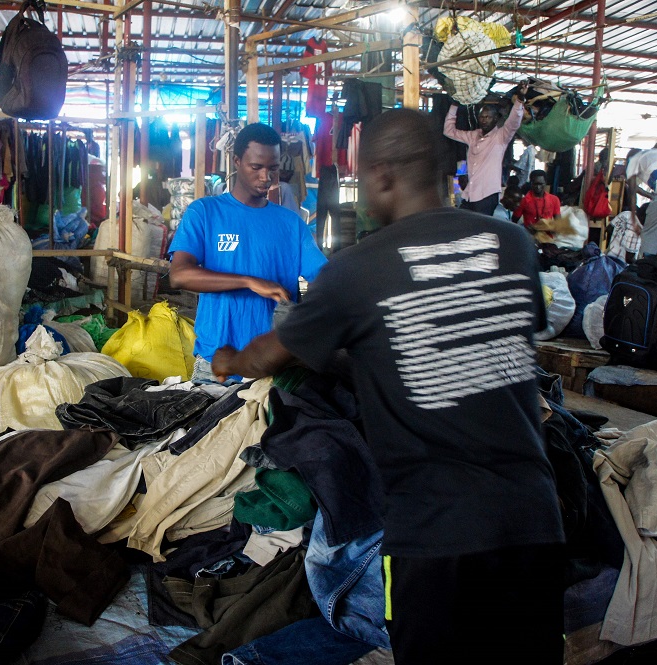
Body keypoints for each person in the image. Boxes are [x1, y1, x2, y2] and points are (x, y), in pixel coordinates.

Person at [212, 108, 565, 664]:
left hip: (434, 534)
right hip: (535, 521)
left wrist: (227, 358)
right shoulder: (513, 243)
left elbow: (264, 358)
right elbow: (462, 341)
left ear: (379, 176)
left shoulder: (359, 269)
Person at [167, 122, 327, 382]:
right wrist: (249, 282)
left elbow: (323, 276)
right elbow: (180, 275)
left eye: (273, 169)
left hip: (270, 368)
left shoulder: (290, 223)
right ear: (238, 161)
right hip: (215, 368)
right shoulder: (205, 212)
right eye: (257, 167)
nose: (266, 177)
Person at [444, 82, 528, 216]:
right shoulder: (472, 135)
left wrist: (519, 99)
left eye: (488, 117)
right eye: (482, 117)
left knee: (480, 230)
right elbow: (449, 131)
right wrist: (454, 106)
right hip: (470, 194)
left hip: (487, 195)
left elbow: (513, 122)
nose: (484, 120)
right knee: (463, 226)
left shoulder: (501, 136)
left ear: (495, 119)